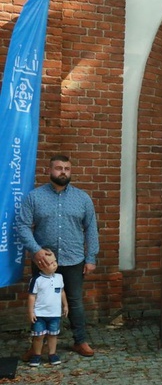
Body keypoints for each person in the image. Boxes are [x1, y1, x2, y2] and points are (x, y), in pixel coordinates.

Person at [17, 154, 99, 359]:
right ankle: (37, 346)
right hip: (44, 262)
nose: (63, 171)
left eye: (67, 169)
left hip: (74, 259)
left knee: (75, 301)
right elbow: (22, 226)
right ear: (50, 170)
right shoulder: (34, 197)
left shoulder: (82, 198)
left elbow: (91, 229)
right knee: (40, 302)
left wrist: (91, 258)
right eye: (59, 168)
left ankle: (80, 341)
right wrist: (36, 250)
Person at [26, 250, 69, 367]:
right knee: (38, 336)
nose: (55, 264)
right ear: (41, 265)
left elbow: (62, 292)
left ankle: (52, 354)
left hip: (54, 314)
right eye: (51, 263)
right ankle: (36, 355)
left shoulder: (59, 277)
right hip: (39, 314)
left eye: (55, 261)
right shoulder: (36, 280)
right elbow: (31, 297)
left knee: (53, 335)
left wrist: (65, 305)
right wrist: (31, 312)